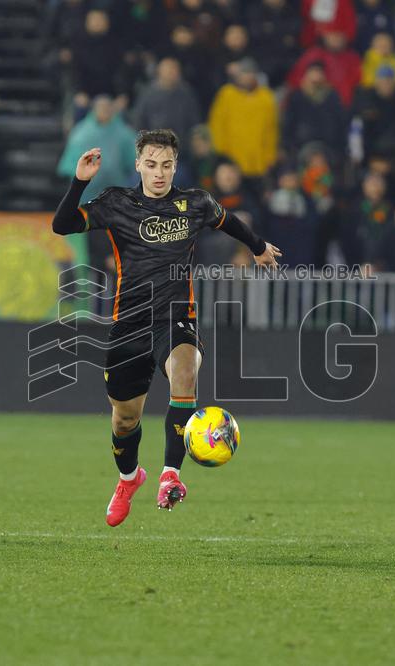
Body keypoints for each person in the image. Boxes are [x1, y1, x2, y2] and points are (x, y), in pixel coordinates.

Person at [50, 129, 281, 526]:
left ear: (176, 166)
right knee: (124, 419)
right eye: (152, 165)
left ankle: (170, 475)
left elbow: (230, 223)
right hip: (129, 324)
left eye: (167, 165)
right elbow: (62, 224)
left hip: (176, 317)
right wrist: (79, 182)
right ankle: (129, 478)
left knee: (186, 370)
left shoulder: (194, 203)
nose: (159, 173)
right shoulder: (116, 203)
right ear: (138, 164)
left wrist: (258, 247)